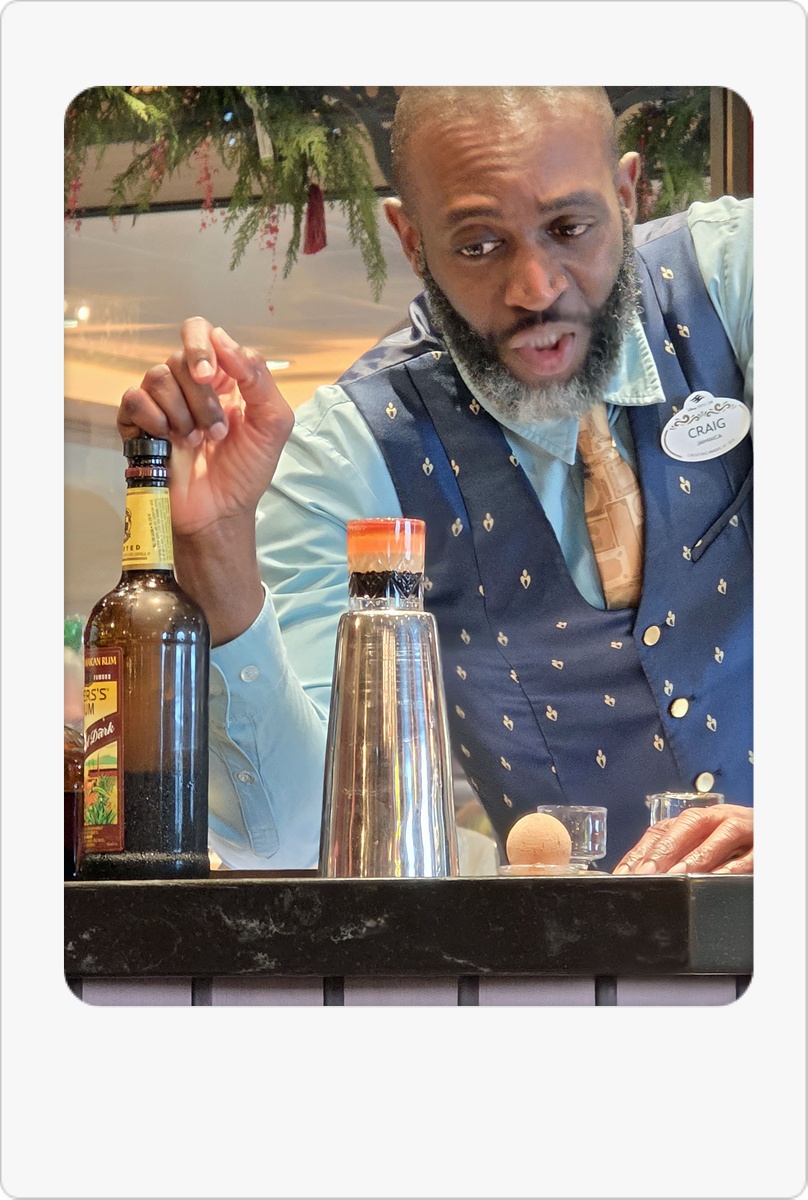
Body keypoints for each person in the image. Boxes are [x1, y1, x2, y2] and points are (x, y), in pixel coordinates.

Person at [117, 86, 753, 875]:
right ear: (412, 241)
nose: (536, 287)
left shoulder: (741, 279)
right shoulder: (347, 453)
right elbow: (296, 841)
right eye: (480, 244)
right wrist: (214, 547)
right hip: (573, 947)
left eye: (569, 228)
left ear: (627, 195)